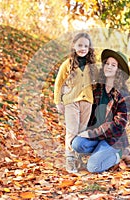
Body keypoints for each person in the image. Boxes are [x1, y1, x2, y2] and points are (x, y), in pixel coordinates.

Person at [71, 49, 130, 173]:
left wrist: (91, 134)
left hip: (113, 139)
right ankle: (101, 152)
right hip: (97, 136)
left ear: (119, 71)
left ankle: (121, 153)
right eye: (107, 63)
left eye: (113, 65)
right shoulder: (97, 89)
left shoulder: (124, 96)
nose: (109, 67)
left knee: (93, 167)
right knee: (77, 144)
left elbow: (118, 126)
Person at [53, 32, 98, 173]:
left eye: (85, 45)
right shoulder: (67, 64)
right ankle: (70, 160)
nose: (82, 48)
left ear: (89, 47)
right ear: (73, 46)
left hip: (87, 102)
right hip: (71, 101)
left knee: (82, 130)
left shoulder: (92, 65)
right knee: (72, 131)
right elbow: (59, 83)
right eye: (80, 45)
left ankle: (79, 158)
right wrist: (57, 101)